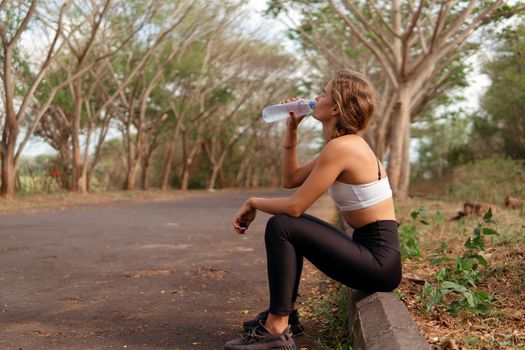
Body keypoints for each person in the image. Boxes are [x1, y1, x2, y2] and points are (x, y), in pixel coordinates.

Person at [224, 69, 402, 350]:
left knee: (283, 225)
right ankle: (284, 317)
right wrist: (292, 129)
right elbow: (290, 180)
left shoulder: (343, 147)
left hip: (378, 262)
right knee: (286, 224)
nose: (315, 97)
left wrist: (253, 202)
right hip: (373, 252)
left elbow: (295, 206)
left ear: (335, 108)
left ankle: (277, 327)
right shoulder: (342, 146)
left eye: (324, 93)